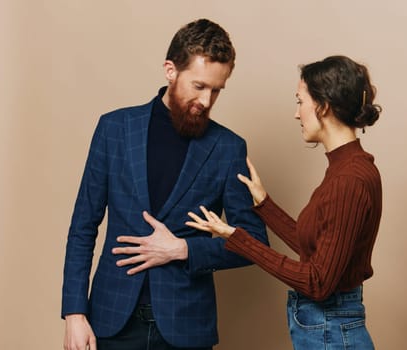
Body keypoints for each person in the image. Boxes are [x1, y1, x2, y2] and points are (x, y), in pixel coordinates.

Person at [61, 18, 267, 350]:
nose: (207, 99)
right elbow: (83, 225)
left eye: (217, 90)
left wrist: (183, 249)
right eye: (199, 86)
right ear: (170, 70)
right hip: (111, 321)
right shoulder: (114, 128)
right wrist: (74, 313)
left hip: (186, 326)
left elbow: (255, 243)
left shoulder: (229, 147)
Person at [187, 55, 382, 349]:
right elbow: (317, 248)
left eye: (300, 101)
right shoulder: (347, 168)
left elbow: (317, 282)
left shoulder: (349, 179)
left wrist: (237, 238)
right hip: (330, 327)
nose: (296, 113)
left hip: (330, 331)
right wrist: (265, 204)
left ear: (323, 106)